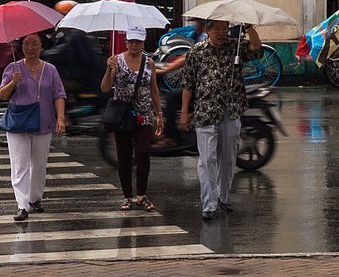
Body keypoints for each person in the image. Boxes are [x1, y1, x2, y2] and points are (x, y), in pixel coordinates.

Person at [174, 16, 262, 222]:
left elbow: (257, 50)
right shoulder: (197, 52)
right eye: (219, 29)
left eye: (226, 29)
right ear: (208, 29)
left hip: (230, 110)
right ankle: (209, 204)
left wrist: (249, 28)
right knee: (207, 160)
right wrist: (185, 112)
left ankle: (223, 197)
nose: (223, 33)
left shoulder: (235, 47)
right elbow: (188, 84)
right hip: (205, 111)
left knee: (228, 157)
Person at [0, 32, 68, 223]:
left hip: (44, 122)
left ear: (41, 47)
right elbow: (2, 95)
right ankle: (22, 205)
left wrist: (60, 118)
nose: (31, 48)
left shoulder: (51, 69)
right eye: (27, 44)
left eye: (35, 44)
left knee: (39, 165)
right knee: (19, 166)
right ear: (22, 48)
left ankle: (35, 198)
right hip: (19, 124)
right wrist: (13, 82)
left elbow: (59, 94)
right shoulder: (13, 68)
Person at [99, 30, 164, 212]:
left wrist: (159, 114)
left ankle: (141, 195)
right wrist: (109, 68)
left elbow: (154, 90)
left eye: (138, 42)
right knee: (124, 156)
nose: (134, 45)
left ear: (143, 43)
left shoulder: (149, 63)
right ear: (126, 42)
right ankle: (127, 195)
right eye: (131, 41)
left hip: (144, 114)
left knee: (143, 152)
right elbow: (105, 88)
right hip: (123, 115)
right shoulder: (117, 61)